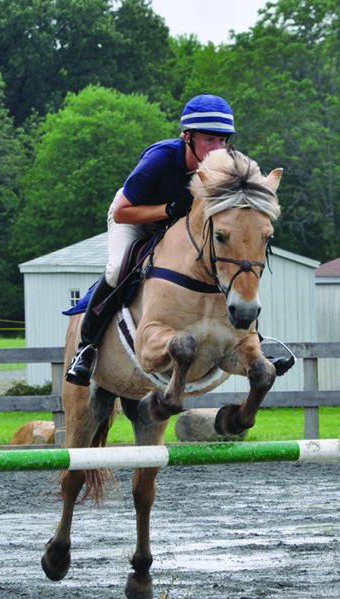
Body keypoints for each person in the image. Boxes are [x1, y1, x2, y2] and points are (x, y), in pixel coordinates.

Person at [66, 94, 292, 386]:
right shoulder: (158, 160)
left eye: (223, 141)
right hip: (136, 219)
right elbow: (123, 212)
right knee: (116, 267)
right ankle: (86, 349)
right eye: (209, 140)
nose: (217, 149)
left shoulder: (228, 167)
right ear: (188, 137)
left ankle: (255, 343)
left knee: (226, 264)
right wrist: (168, 210)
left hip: (180, 230)